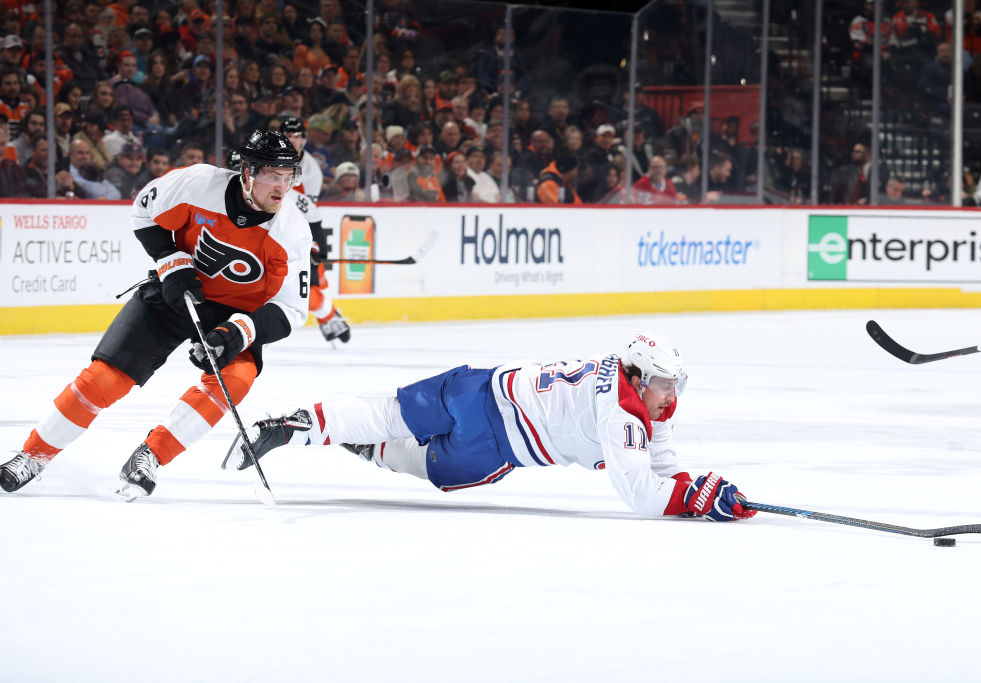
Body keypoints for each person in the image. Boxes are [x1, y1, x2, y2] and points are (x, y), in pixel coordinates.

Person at [0, 129, 311, 499]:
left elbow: (292, 310)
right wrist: (171, 260)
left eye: (288, 176)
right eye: (272, 175)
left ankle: (151, 455)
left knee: (236, 380)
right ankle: (33, 455)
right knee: (105, 377)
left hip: (236, 313)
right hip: (174, 292)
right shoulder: (197, 184)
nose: (281, 186)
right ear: (247, 172)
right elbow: (143, 210)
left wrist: (238, 331)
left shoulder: (292, 231)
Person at [223, 331, 756, 522]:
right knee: (425, 465)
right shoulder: (622, 413)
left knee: (391, 411)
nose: (672, 394)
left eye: (676, 384)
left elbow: (661, 465)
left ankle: (298, 426)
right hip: (497, 446)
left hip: (479, 386)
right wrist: (694, 499)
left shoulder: (626, 380)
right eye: (664, 383)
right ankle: (366, 451)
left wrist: (693, 488)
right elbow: (642, 493)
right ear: (638, 378)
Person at [279, 116, 352, 344]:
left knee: (309, 284)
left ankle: (329, 316)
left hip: (297, 231)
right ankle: (328, 316)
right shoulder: (270, 156)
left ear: (304, 139)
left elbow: (307, 211)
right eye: (289, 135)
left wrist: (312, 244)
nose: (293, 140)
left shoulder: (311, 171)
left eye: (298, 136)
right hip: (272, 225)